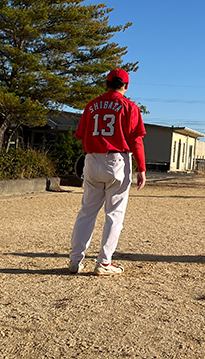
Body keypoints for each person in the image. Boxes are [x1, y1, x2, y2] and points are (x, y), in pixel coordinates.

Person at [68, 68, 146, 276]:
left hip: (92, 159)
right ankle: (104, 262)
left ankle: (76, 260)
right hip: (117, 160)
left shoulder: (92, 105)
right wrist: (142, 168)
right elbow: (136, 139)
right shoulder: (129, 106)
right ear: (126, 86)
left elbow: (81, 135)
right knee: (114, 215)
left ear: (107, 84)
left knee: (87, 212)